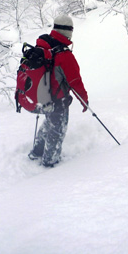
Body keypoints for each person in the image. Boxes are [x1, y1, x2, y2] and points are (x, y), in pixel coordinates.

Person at [28, 15, 89, 168]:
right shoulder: (64, 55)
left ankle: (37, 151)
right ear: (68, 31)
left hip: (43, 97)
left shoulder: (43, 45)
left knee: (49, 122)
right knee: (57, 129)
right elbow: (75, 81)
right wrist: (84, 100)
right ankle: (50, 161)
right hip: (58, 100)